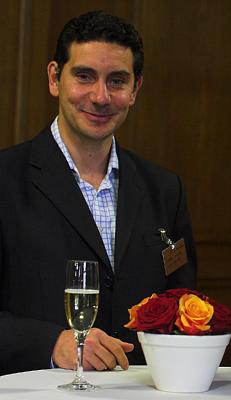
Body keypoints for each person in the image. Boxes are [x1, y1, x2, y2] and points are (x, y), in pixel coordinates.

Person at [0, 11, 197, 375]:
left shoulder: (165, 189)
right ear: (54, 78)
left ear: (135, 90)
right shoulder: (5, 179)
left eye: (117, 81)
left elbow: (182, 305)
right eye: (84, 76)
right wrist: (51, 343)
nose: (101, 96)